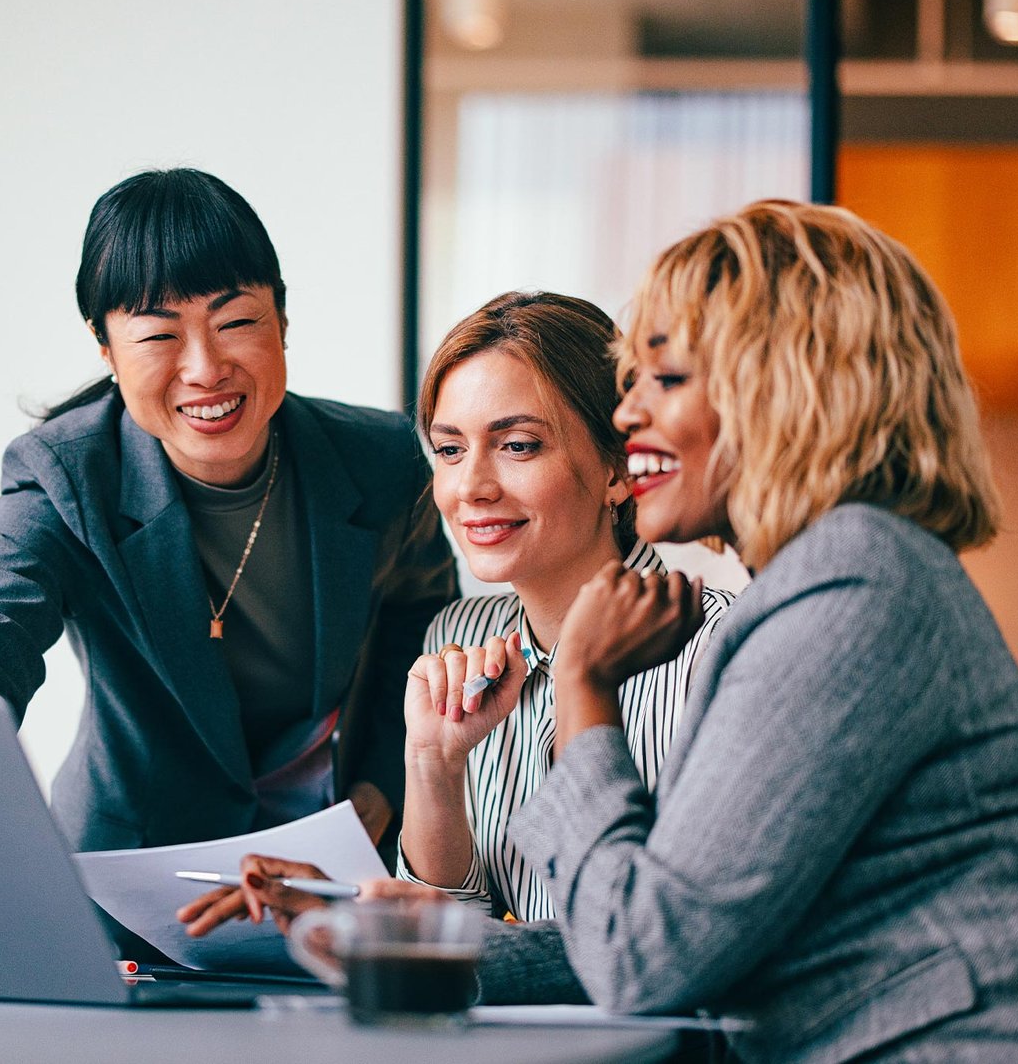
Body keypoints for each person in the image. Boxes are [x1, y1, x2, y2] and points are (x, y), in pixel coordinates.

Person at [240, 201, 1018, 1061]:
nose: (629, 412)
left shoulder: (853, 590)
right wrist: (394, 943)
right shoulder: (832, 579)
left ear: (788, 392)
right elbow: (667, 930)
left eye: (664, 380)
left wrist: (583, 688)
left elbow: (650, 955)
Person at [0, 170, 458, 872]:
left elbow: (425, 622)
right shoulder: (65, 472)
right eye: (159, 336)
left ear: (282, 320)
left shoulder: (381, 459)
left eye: (235, 322)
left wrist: (382, 784)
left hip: (332, 864)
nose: (205, 368)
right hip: (132, 868)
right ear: (105, 348)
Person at [179, 292, 732, 936]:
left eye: (519, 445)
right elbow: (452, 932)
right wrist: (433, 768)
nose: (471, 487)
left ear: (617, 468)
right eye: (448, 450)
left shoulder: (718, 650)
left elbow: (658, 939)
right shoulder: (457, 635)